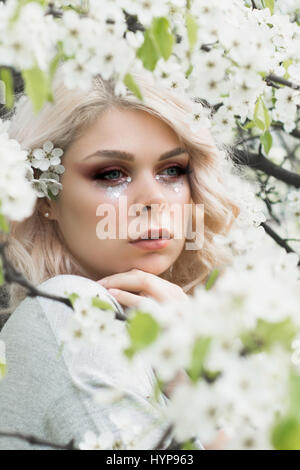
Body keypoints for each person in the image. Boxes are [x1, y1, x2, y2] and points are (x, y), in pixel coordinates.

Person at [0, 64, 239, 449]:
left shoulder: (158, 333)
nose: (154, 200)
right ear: (46, 198)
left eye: (172, 170)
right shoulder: (71, 309)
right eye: (112, 174)